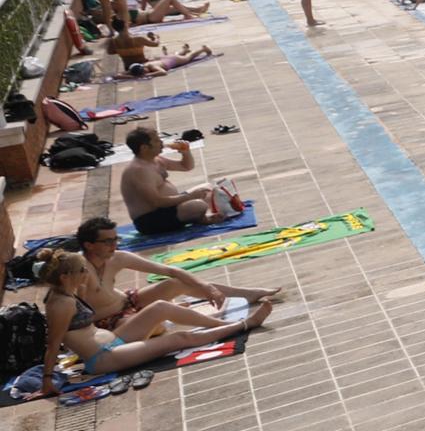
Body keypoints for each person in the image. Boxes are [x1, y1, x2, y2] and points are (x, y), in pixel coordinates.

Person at [35, 250, 272, 396]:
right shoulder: (60, 304)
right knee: (177, 340)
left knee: (160, 307)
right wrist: (47, 381)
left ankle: (214, 324)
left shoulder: (70, 291)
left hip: (115, 340)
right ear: (65, 277)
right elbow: (53, 344)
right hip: (104, 358)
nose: (87, 273)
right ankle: (245, 325)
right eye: (81, 270)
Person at [69, 215, 281, 329]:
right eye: (108, 241)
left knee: (175, 283)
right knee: (159, 326)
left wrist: (205, 286)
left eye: (116, 239)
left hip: (128, 301)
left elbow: (169, 270)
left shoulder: (118, 258)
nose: (114, 245)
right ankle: (226, 326)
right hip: (109, 321)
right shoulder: (77, 269)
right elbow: (67, 306)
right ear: (88, 245)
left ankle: (246, 293)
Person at [119, 128, 241, 234]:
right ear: (144, 148)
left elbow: (185, 166)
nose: (161, 142)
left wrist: (186, 153)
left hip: (169, 208)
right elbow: (156, 202)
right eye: (156, 141)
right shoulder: (139, 170)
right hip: (151, 219)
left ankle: (198, 216)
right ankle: (201, 218)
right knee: (199, 205)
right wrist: (189, 196)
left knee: (208, 188)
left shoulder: (156, 160)